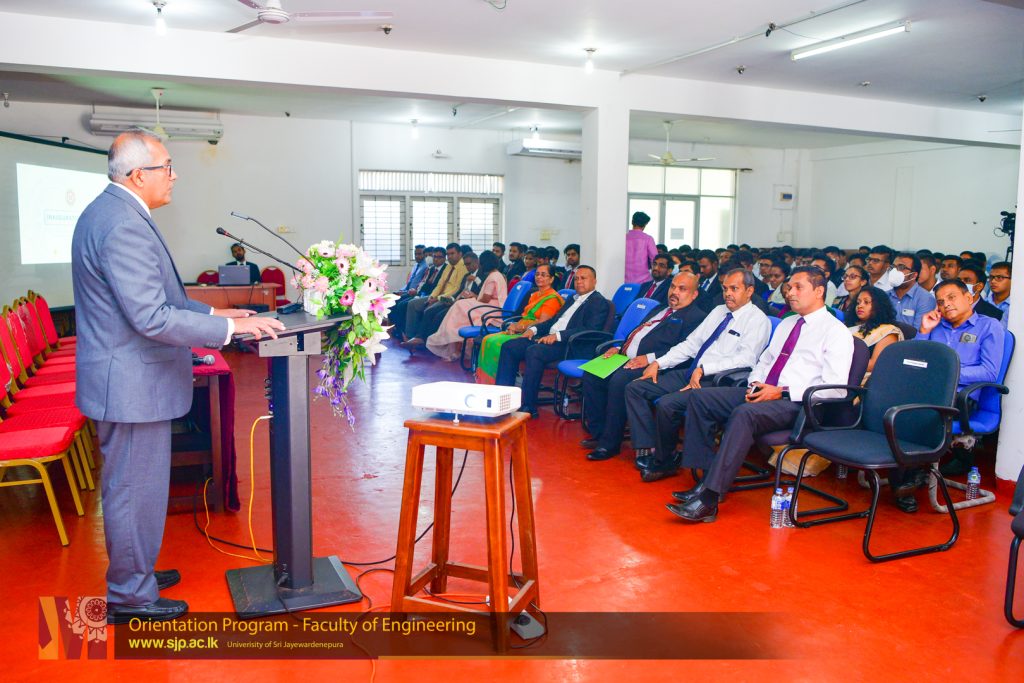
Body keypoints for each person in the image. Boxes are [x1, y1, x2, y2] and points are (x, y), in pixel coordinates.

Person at [71, 129, 284, 625]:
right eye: (166, 166)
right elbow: (151, 316)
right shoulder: (121, 224)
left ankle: (135, 572)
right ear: (137, 175)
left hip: (128, 378)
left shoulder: (116, 212)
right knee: (132, 490)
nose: (174, 175)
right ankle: (129, 595)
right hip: (129, 383)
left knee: (138, 487)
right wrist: (229, 329)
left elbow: (166, 298)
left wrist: (223, 316)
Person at [665, 266, 853, 523]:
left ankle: (709, 498)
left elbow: (836, 388)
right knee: (701, 398)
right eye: (790, 287)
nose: (790, 292)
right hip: (764, 392)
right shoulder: (788, 323)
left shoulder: (836, 332)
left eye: (798, 287)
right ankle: (705, 479)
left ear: (819, 291)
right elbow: (765, 361)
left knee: (744, 414)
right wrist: (755, 383)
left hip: (799, 404)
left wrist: (781, 391)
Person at [624, 269, 772, 480]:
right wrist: (659, 362)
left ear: (749, 291)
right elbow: (691, 344)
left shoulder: (757, 320)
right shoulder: (719, 311)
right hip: (693, 371)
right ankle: (647, 448)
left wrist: (705, 369)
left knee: (667, 404)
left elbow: (746, 360)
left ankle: (665, 461)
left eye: (734, 289)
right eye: (725, 288)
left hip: (718, 380)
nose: (727, 294)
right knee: (636, 387)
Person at [582, 272, 707, 462]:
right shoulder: (660, 308)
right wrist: (620, 348)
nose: (674, 292)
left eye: (682, 289)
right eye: (673, 287)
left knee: (619, 380)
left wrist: (649, 359)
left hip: (658, 366)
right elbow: (638, 334)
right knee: (592, 374)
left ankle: (610, 443)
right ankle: (599, 433)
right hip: (626, 357)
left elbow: (684, 352)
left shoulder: (696, 318)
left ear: (694, 294)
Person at [494, 266, 610, 416]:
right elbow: (553, 321)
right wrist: (533, 330)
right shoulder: (571, 298)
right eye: (576, 278)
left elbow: (589, 329)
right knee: (510, 346)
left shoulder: (598, 302)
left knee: (534, 351)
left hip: (571, 345)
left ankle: (529, 406)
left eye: (583, 278)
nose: (579, 281)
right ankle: (504, 398)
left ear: (594, 281)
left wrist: (558, 336)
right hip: (550, 339)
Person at [921, 279, 1005, 478]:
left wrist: (947, 374)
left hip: (961, 397)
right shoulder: (936, 327)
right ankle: (908, 466)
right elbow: (917, 361)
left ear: (969, 298)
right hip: (928, 390)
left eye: (952, 297)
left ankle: (912, 471)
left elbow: (989, 372)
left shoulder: (988, 326)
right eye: (940, 302)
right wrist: (924, 331)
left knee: (918, 412)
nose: (946, 304)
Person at [476, 264, 563, 384]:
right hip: (521, 328)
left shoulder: (552, 298)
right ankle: (487, 382)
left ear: (551, 279)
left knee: (498, 343)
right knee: (488, 340)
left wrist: (520, 327)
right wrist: (514, 326)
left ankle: (500, 383)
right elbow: (524, 316)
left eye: (543, 275)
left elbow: (542, 323)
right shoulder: (535, 294)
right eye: (537, 274)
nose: (539, 277)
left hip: (534, 334)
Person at [426, 251, 508, 361]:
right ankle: (455, 344)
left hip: (491, 308)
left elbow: (485, 299)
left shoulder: (493, 277)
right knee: (460, 306)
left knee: (460, 306)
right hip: (492, 306)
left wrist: (474, 296)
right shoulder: (497, 274)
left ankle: (450, 339)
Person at [405, 252, 479, 349]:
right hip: (452, 300)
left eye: (452, 254)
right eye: (466, 264)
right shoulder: (463, 273)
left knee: (435, 314)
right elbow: (448, 287)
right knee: (425, 309)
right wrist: (434, 297)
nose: (467, 267)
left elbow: (460, 289)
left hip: (465, 305)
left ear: (476, 262)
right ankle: (417, 337)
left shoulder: (478, 274)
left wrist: (476, 280)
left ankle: (427, 341)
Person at [402, 242, 466, 342]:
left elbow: (456, 289)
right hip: (438, 296)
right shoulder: (449, 266)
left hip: (447, 299)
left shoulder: (463, 267)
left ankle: (420, 338)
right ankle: (409, 335)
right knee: (412, 304)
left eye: (452, 253)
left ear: (460, 254)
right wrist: (432, 297)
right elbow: (440, 285)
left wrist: (437, 298)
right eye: (448, 254)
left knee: (428, 310)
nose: (449, 256)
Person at [849, 286, 903, 380]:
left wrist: (841, 363)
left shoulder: (888, 332)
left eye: (866, 302)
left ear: (879, 306)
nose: (860, 306)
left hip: (864, 382)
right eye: (858, 302)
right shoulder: (851, 328)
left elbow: (874, 364)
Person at [390, 247, 446, 338]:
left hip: (433, 296)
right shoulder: (432, 269)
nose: (436, 259)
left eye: (439, 257)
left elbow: (440, 287)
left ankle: (409, 335)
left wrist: (421, 294)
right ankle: (400, 331)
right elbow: (424, 285)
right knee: (399, 302)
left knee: (407, 304)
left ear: (444, 258)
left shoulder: (445, 269)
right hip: (423, 293)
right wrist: (419, 293)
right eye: (434, 256)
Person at [888, 252, 936, 329]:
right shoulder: (884, 296)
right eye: (893, 267)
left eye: (901, 267)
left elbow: (919, 332)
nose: (894, 271)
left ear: (914, 275)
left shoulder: (925, 299)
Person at [625, 211, 657, 284]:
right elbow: (655, 259)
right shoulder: (648, 239)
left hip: (624, 280)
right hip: (644, 281)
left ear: (632, 222)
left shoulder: (623, 237)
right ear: (645, 224)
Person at [986, 261, 1011, 329]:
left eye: (999, 277)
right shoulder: (983, 303)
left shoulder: (1016, 307)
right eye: (991, 277)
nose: (993, 281)